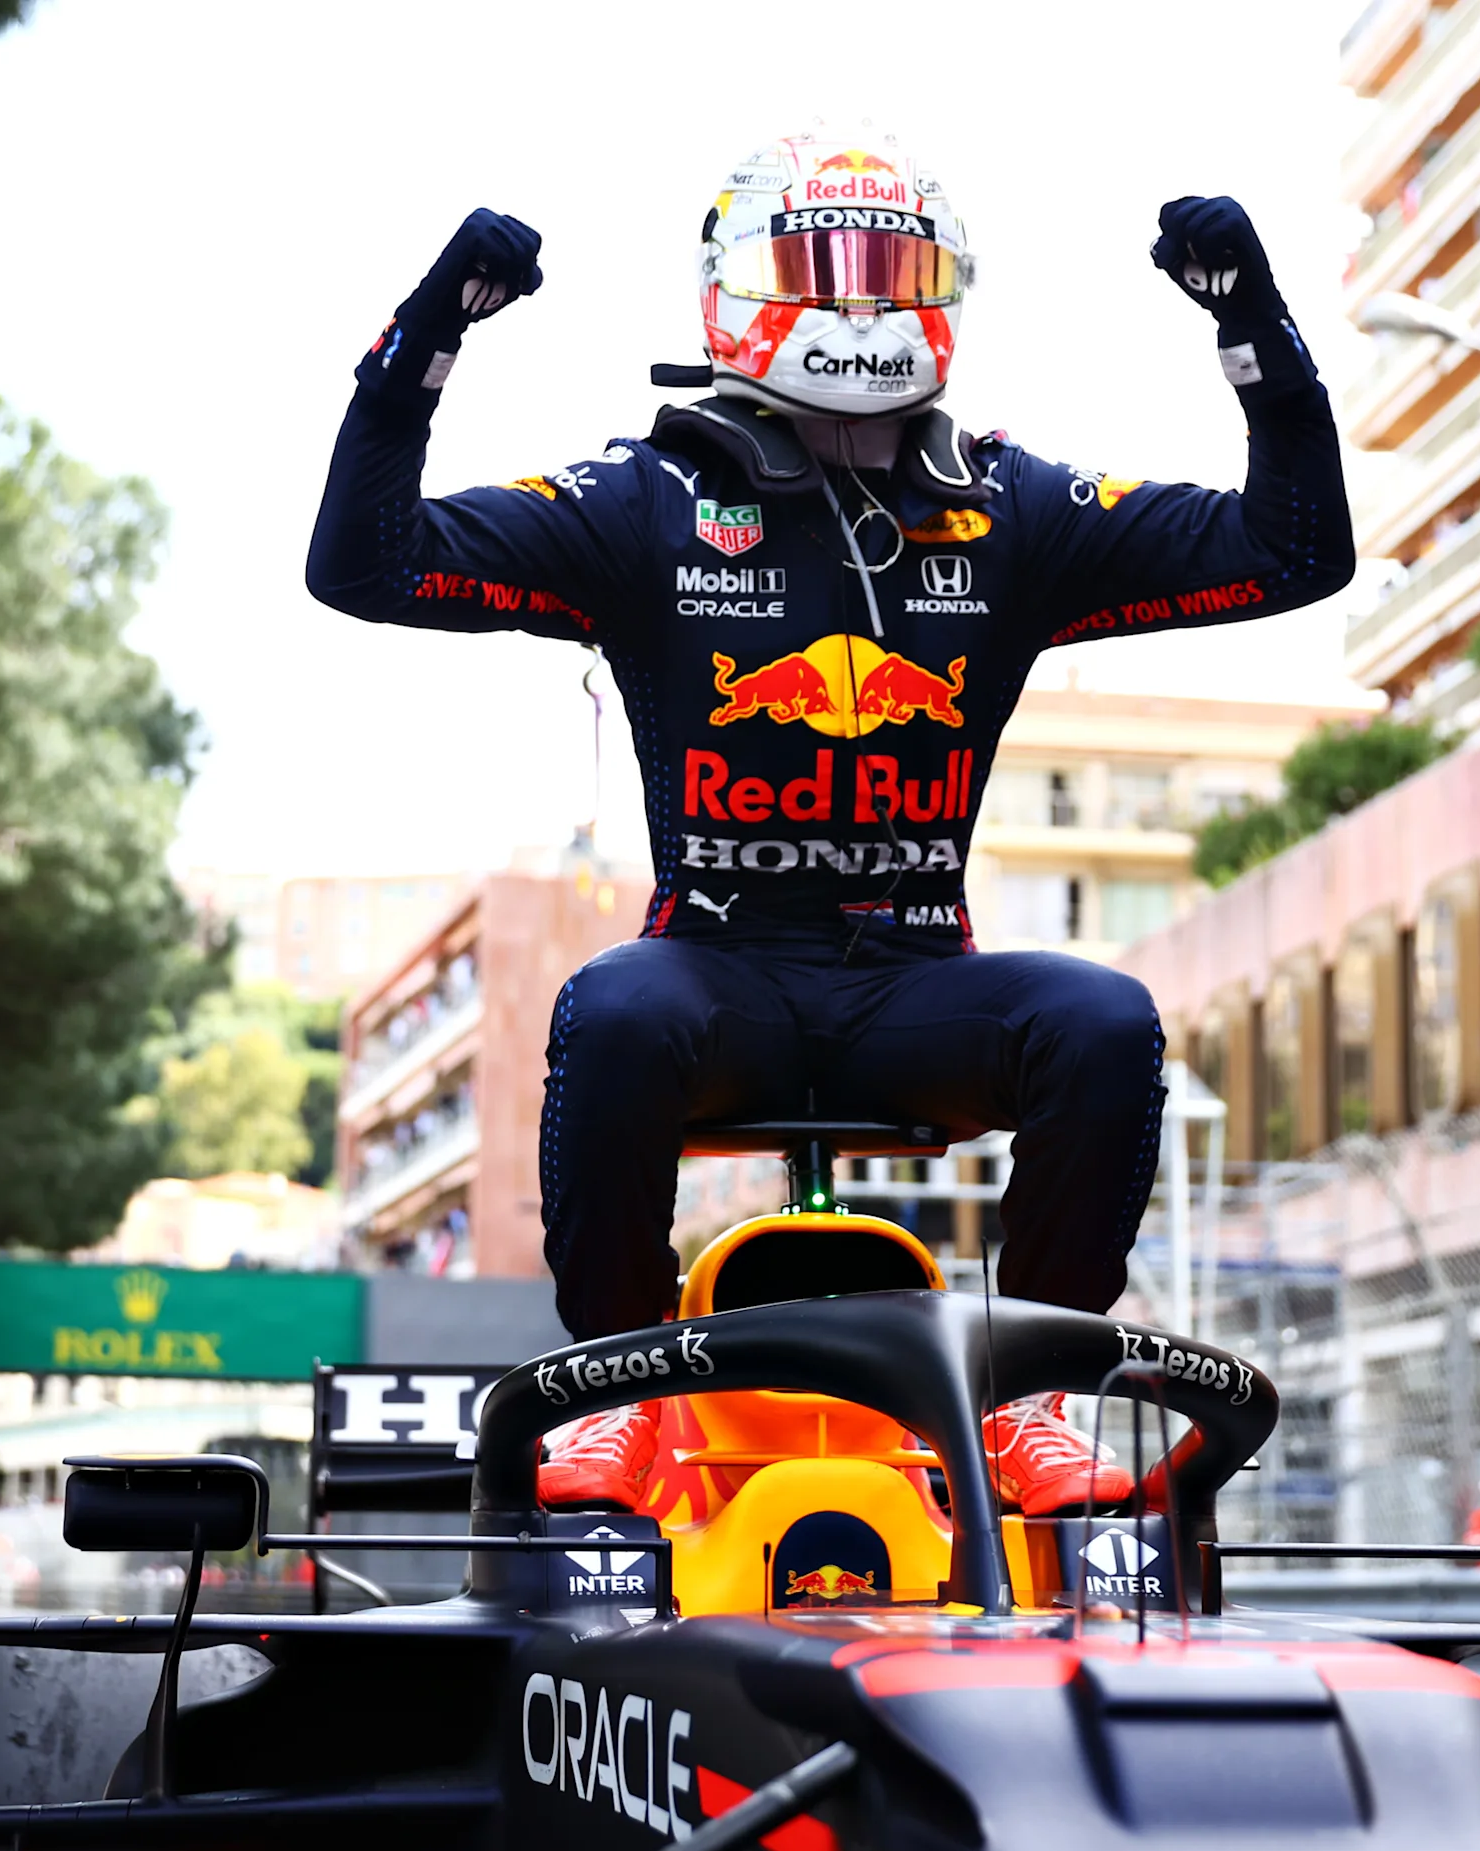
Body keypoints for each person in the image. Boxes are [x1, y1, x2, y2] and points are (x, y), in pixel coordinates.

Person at [308, 133, 1354, 1517]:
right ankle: (620, 1394)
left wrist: (1255, 331)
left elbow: (1296, 554)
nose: (860, 303)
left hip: (913, 986)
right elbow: (364, 566)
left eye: (893, 272)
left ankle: (1025, 1402)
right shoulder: (644, 501)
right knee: (612, 1008)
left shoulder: (1010, 503)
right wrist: (424, 339)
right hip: (715, 976)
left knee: (1104, 1020)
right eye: (823, 267)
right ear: (738, 290)